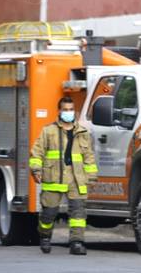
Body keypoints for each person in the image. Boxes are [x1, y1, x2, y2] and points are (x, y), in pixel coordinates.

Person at [29, 96, 98, 255]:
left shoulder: (82, 132)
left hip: (76, 178)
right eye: (65, 110)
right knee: (49, 213)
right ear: (59, 111)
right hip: (53, 178)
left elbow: (89, 156)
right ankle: (45, 237)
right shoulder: (48, 131)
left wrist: (92, 176)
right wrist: (36, 170)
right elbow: (37, 152)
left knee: (78, 213)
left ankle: (77, 242)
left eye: (71, 110)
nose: (68, 112)